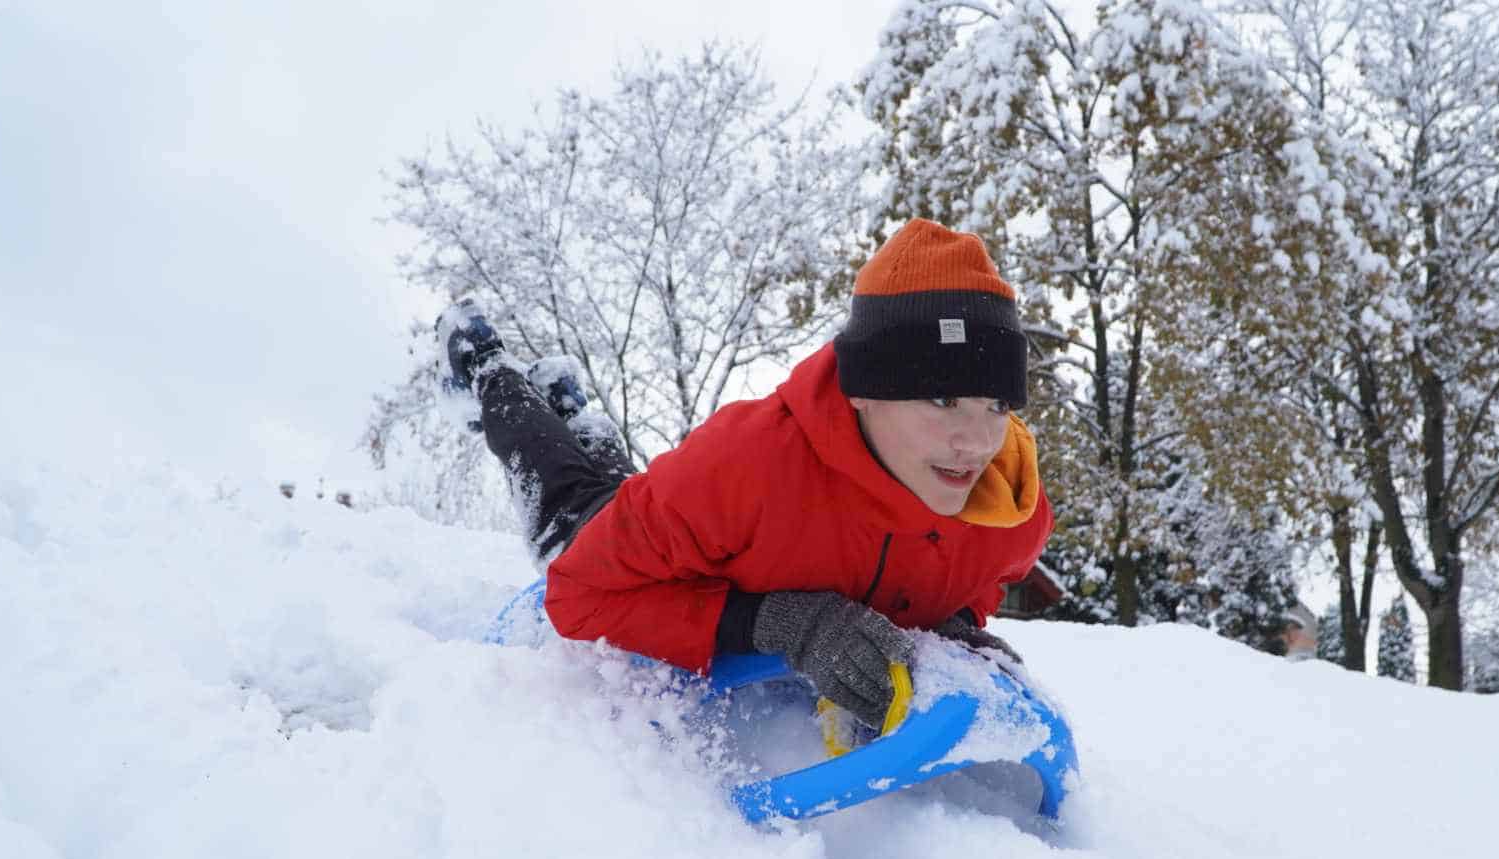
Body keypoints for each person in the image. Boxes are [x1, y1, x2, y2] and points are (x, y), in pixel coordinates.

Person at [441, 219, 1054, 741]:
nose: (976, 442)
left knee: (616, 476)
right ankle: (487, 368)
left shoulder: (1007, 506)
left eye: (997, 404)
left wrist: (954, 625)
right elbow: (578, 596)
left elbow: (981, 581)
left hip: (666, 517)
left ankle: (576, 409)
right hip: (635, 556)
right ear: (864, 392)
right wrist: (776, 623)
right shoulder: (747, 465)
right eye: (943, 399)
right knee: (569, 489)